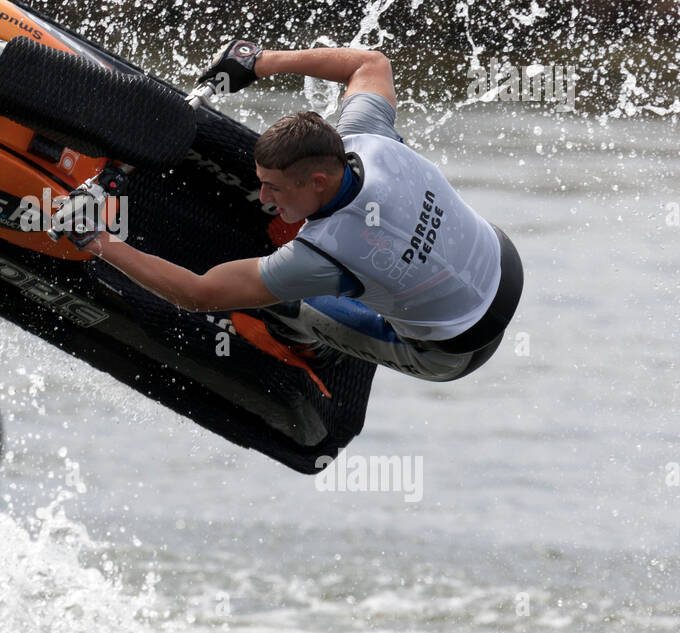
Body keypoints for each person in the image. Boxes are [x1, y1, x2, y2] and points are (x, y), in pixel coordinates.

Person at [77, 40, 523, 382]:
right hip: (501, 262)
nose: (265, 198)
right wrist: (260, 61)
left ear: (318, 181)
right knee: (340, 263)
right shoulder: (368, 136)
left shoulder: (325, 252)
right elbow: (370, 64)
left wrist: (98, 241)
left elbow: (200, 295)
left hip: (455, 349)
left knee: (281, 304)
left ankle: (302, 356)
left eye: (274, 188)